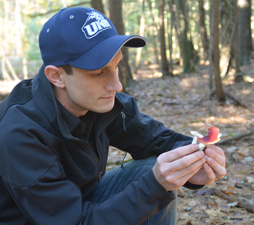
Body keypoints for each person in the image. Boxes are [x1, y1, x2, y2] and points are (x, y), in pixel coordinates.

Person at [0, 6, 226, 225]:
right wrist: (155, 186)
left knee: (153, 172)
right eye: (99, 73)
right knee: (154, 183)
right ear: (57, 76)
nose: (116, 85)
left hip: (78, 206)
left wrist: (198, 161)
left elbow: (158, 140)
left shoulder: (100, 102)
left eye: (116, 66)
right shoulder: (20, 133)